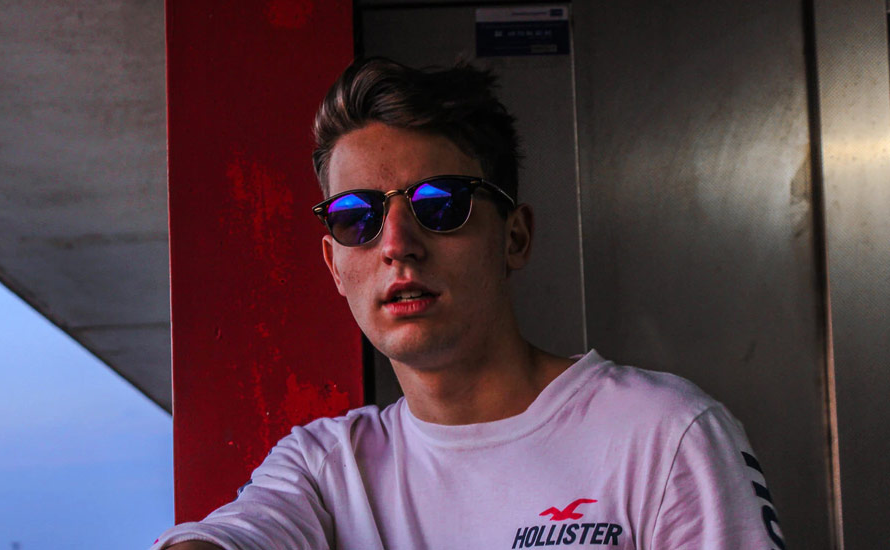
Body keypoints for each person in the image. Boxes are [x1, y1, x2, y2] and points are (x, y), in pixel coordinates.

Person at [152, 58, 785, 550]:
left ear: (515, 237)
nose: (397, 245)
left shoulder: (663, 434)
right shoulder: (325, 471)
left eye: (440, 204)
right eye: (356, 217)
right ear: (334, 266)